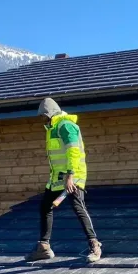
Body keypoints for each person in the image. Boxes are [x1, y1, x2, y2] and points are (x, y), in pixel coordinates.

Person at [26, 97, 102, 262]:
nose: (42, 120)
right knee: (45, 207)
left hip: (73, 176)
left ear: (50, 114)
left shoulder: (66, 126)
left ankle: (94, 244)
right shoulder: (52, 128)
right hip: (57, 177)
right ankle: (44, 247)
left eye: (43, 116)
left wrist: (70, 176)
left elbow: (73, 152)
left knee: (78, 207)